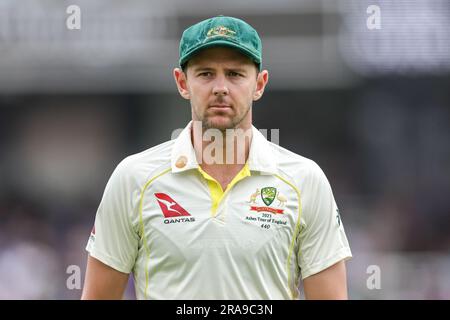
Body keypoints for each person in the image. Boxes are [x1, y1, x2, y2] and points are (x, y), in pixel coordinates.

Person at [81, 15, 352, 300]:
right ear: (182, 82)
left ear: (259, 84)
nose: (220, 87)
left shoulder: (305, 180)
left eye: (235, 74)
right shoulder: (133, 177)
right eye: (206, 73)